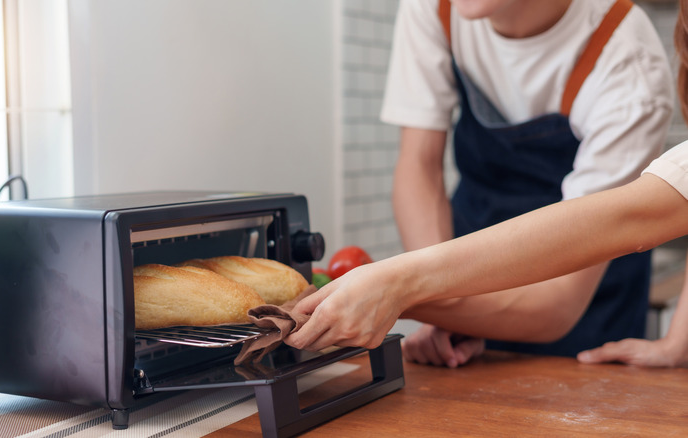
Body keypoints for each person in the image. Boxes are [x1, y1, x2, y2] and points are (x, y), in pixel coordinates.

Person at [284, 0, 688, 369]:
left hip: (585, 301)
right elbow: (420, 164)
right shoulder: (438, 10)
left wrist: (406, 290)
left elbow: (561, 299)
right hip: (465, 256)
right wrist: (439, 293)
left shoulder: (629, 60)